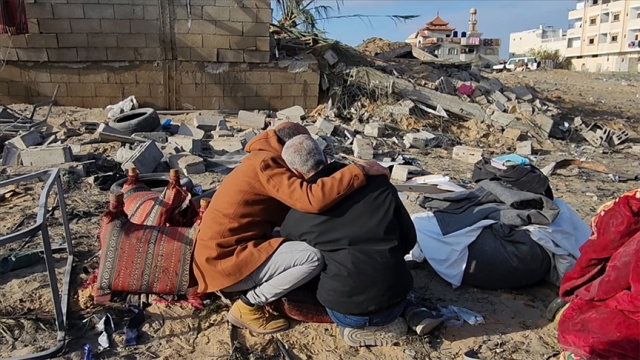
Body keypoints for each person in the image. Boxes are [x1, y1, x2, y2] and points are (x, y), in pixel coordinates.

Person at [192, 122, 390, 335]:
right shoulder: (267, 163)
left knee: (296, 242)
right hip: (225, 262)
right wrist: (358, 170)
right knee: (311, 257)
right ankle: (248, 305)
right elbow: (309, 198)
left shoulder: (264, 157)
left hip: (226, 252)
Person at [279, 135, 442, 347]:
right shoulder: (378, 183)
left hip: (347, 311)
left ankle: (356, 329)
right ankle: (411, 311)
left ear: (296, 173)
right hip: (396, 294)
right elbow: (409, 240)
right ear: (326, 157)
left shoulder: (297, 215)